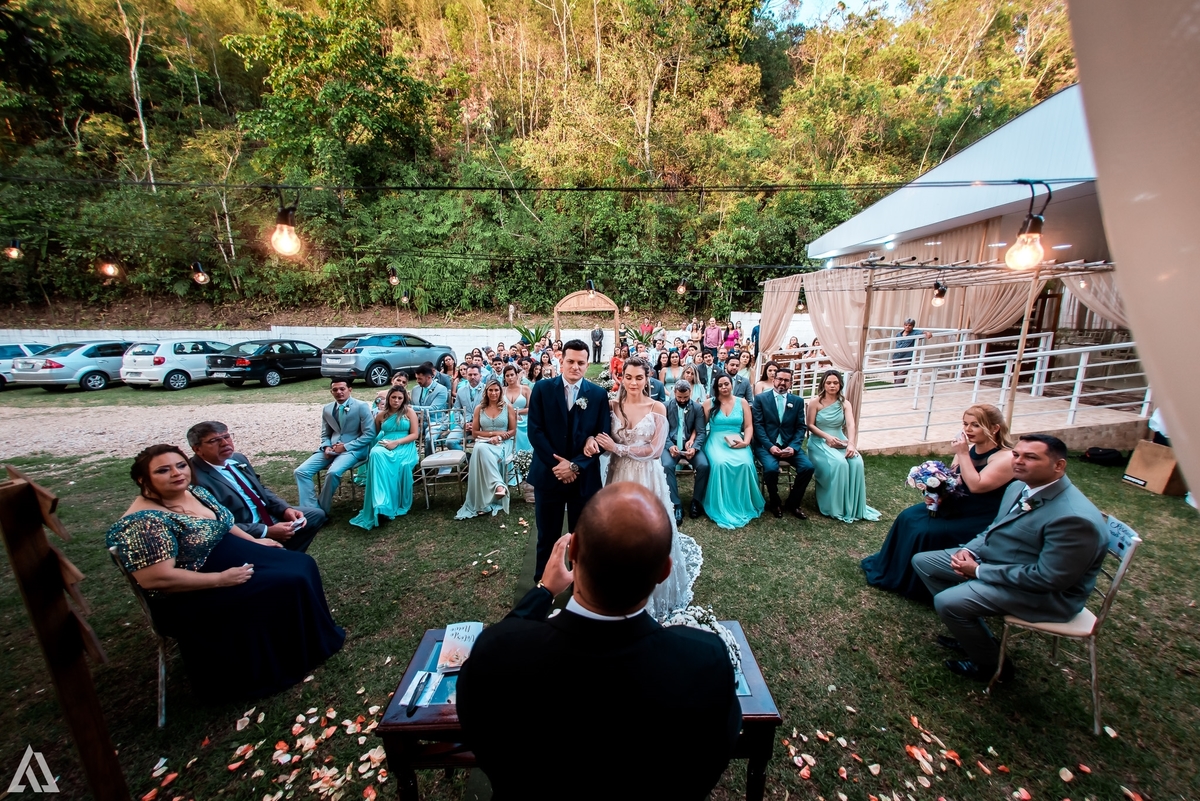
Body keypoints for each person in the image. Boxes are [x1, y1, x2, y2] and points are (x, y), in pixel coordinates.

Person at [457, 484, 740, 800]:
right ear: (664, 571)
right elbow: (715, 755)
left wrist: (542, 592)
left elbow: (479, 735)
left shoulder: (499, 655)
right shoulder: (705, 663)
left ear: (572, 553)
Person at [107, 445, 344, 701]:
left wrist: (255, 542)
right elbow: (157, 578)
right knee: (282, 582)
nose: (176, 473)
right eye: (163, 470)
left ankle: (306, 646)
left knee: (301, 565)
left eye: (181, 465)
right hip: (194, 591)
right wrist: (220, 579)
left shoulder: (194, 492)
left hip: (231, 557)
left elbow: (225, 523)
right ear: (143, 479)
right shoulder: (142, 523)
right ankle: (266, 669)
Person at [911, 434, 1108, 682]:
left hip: (1043, 595)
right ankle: (976, 635)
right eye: (1016, 454)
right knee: (924, 562)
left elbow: (1049, 579)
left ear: (1059, 465)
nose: (1019, 461)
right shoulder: (1018, 486)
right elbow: (995, 527)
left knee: (948, 603)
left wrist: (979, 572)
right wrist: (970, 551)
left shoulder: (1074, 518)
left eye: (1031, 457)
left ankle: (994, 668)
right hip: (1000, 563)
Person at [585, 358, 702, 618]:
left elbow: (654, 450)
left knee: (647, 530)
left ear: (647, 378)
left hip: (647, 477)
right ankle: (617, 585)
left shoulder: (658, 407)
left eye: (639, 377)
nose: (634, 382)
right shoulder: (611, 406)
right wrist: (594, 440)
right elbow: (595, 433)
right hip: (617, 475)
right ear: (621, 378)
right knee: (616, 530)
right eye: (629, 377)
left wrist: (618, 448)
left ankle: (649, 588)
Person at [862, 405, 1015, 601]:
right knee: (907, 517)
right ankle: (894, 571)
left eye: (976, 425)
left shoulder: (1005, 457)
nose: (968, 430)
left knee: (925, 532)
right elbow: (952, 482)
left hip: (979, 514)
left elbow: (976, 485)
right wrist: (936, 493)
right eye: (966, 424)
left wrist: (962, 454)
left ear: (994, 428)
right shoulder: (967, 450)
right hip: (955, 505)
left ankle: (918, 584)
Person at [527, 340, 612, 579]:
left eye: (581, 363)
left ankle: (580, 586)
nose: (575, 367)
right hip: (548, 474)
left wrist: (574, 465)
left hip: (583, 478)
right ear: (561, 360)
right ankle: (544, 586)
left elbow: (602, 435)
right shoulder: (542, 390)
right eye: (570, 361)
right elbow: (535, 431)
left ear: (587, 364)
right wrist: (558, 466)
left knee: (582, 537)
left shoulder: (597, 395)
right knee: (547, 536)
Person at [188, 422, 325, 552]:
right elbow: (217, 524)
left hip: (266, 514)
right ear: (197, 449)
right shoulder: (193, 478)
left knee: (315, 515)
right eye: (214, 441)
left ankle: (285, 556)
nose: (224, 443)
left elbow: (260, 489)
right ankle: (277, 557)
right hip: (243, 529)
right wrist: (266, 531)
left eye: (226, 436)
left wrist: (285, 509)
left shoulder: (238, 459)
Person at [806, 370, 880, 523]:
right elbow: (810, 425)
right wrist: (827, 437)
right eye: (828, 382)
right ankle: (835, 507)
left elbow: (851, 424)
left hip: (840, 439)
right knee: (839, 464)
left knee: (857, 462)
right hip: (820, 441)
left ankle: (853, 506)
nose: (832, 385)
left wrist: (851, 444)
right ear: (823, 384)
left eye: (835, 382)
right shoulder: (815, 402)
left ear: (840, 384)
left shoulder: (845, 403)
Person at [294, 379, 376, 515]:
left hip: (353, 450)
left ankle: (322, 510)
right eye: (335, 390)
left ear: (350, 389)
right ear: (331, 392)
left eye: (342, 389)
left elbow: (369, 434)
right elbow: (325, 434)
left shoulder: (361, 406)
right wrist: (326, 446)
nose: (339, 392)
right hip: (330, 449)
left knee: (333, 472)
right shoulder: (327, 409)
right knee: (301, 471)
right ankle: (311, 508)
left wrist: (346, 447)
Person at [348, 386, 421, 529]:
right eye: (394, 397)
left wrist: (396, 442)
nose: (397, 400)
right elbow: (372, 435)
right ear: (388, 398)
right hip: (385, 443)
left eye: (400, 398)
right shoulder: (381, 415)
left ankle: (392, 502)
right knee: (375, 454)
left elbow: (414, 435)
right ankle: (380, 502)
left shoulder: (409, 412)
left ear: (404, 399)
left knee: (403, 465)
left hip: (404, 445)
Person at [751, 366, 815, 520]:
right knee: (771, 469)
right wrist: (770, 446)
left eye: (786, 380)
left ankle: (793, 503)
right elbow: (758, 426)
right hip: (766, 445)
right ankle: (775, 502)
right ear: (774, 380)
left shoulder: (797, 401)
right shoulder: (760, 399)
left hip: (789, 445)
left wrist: (793, 447)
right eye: (779, 379)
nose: (782, 383)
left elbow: (801, 427)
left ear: (791, 383)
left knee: (808, 467)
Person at [702, 374, 765, 528]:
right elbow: (701, 427)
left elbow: (749, 426)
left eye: (726, 384)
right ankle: (720, 503)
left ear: (732, 385)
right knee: (720, 463)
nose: (724, 387)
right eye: (720, 385)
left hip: (738, 439)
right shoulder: (709, 403)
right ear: (716, 388)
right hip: (715, 440)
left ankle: (743, 502)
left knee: (745, 463)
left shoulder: (742, 402)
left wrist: (746, 442)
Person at [455, 378, 518, 519]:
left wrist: (500, 438)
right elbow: (475, 433)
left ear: (500, 391)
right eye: (490, 390)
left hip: (504, 443)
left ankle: (486, 499)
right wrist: (493, 435)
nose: (493, 393)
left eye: (496, 390)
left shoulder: (507, 407)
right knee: (480, 448)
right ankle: (498, 486)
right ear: (486, 392)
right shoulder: (480, 408)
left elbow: (513, 430)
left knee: (479, 450)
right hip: (485, 441)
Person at [661, 379, 709, 522]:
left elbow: (701, 432)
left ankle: (696, 501)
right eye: (679, 397)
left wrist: (694, 448)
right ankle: (676, 504)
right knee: (667, 466)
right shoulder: (665, 407)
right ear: (674, 393)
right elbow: (661, 432)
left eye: (686, 397)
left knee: (704, 465)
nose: (682, 400)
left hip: (689, 445)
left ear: (690, 393)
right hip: (671, 444)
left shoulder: (697, 408)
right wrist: (670, 446)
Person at [449, 364, 485, 450]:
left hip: (483, 425)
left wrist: (478, 424)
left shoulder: (487, 389)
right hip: (465, 424)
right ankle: (467, 458)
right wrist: (463, 423)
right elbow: (457, 409)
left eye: (475, 374)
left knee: (481, 446)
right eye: (470, 374)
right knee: (450, 442)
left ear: (480, 376)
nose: (472, 377)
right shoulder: (461, 391)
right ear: (466, 375)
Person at [502, 363, 532, 460]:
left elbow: (532, 408)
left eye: (512, 375)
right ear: (504, 377)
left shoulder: (525, 389)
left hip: (523, 420)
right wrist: (511, 414)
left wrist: (517, 412)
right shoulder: (502, 390)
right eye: (507, 375)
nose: (510, 378)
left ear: (516, 375)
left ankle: (524, 460)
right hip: (507, 419)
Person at [892, 317, 933, 385]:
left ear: (912, 326)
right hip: (896, 357)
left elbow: (923, 333)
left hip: (906, 358)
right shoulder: (899, 334)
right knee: (896, 375)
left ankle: (897, 389)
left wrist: (927, 333)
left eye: (909, 325)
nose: (907, 327)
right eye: (906, 325)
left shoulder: (915, 333)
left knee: (901, 376)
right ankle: (897, 389)